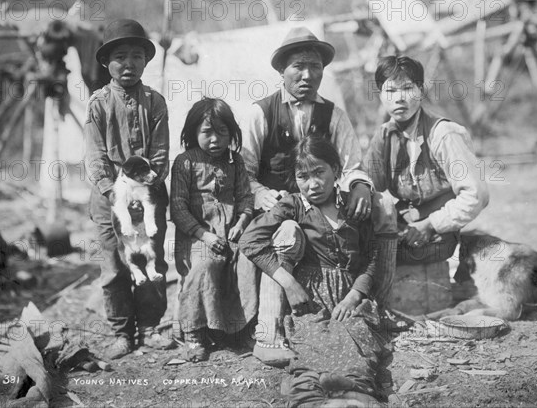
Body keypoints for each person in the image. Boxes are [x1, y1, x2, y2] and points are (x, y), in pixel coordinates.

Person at [241, 26, 397, 365]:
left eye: (315, 67)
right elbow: (244, 172)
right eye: (298, 66)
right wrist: (261, 193)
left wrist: (358, 185)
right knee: (285, 233)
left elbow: (353, 163)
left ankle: (378, 304)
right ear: (281, 70)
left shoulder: (334, 114)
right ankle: (268, 333)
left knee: (382, 207)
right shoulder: (261, 113)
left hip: (323, 206)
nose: (308, 74)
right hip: (279, 209)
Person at [240, 136, 395, 405]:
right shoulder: (293, 206)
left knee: (356, 341)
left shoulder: (353, 206)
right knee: (312, 346)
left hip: (351, 299)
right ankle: (310, 397)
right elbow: (249, 241)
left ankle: (353, 394)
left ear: (336, 170)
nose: (313, 184)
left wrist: (354, 295)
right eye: (303, 176)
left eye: (319, 172)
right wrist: (288, 282)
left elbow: (371, 256)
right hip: (310, 298)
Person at [84, 19, 173, 359]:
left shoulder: (155, 102)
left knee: (150, 258)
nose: (129, 64)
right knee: (114, 263)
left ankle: (150, 326)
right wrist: (114, 192)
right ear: (106, 62)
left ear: (146, 61)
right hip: (110, 200)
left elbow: (161, 153)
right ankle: (122, 332)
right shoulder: (99, 103)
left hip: (149, 197)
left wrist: (145, 188)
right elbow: (96, 156)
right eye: (120, 56)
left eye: (137, 56)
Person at [365, 56, 490, 265]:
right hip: (405, 222)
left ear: (421, 92)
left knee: (378, 258)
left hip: (439, 230)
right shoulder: (386, 135)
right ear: (380, 96)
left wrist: (431, 224)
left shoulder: (443, 134)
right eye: (390, 91)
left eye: (407, 88)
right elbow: (370, 184)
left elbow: (476, 195)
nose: (399, 98)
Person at [170, 98, 254, 362]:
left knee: (247, 261)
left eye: (222, 132)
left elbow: (245, 198)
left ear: (231, 133)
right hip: (197, 235)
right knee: (204, 266)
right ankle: (195, 333)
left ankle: (237, 329)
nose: (215, 139)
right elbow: (178, 208)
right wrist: (203, 234)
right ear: (194, 132)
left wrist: (241, 222)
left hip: (231, 233)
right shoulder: (185, 162)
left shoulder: (235, 162)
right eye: (207, 132)